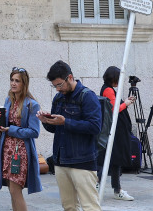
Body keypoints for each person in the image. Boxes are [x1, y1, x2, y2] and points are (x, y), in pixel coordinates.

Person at [39, 60, 102, 211]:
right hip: (61, 160)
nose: (57, 89)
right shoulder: (58, 98)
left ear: (70, 77)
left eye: (60, 84)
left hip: (83, 160)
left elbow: (95, 126)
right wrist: (46, 121)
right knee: (69, 206)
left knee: (90, 206)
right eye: (54, 86)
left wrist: (66, 122)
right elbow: (55, 128)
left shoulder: (87, 96)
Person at [0, 67, 42, 211]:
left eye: (17, 81)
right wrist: (0, 123)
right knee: (11, 190)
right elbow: (6, 123)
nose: (13, 83)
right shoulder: (9, 100)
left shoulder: (32, 104)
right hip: (6, 149)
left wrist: (12, 130)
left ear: (24, 84)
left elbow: (34, 132)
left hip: (19, 152)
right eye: (12, 80)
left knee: (16, 190)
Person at [98, 66, 135, 201]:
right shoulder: (108, 90)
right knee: (112, 159)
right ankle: (104, 187)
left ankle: (116, 188)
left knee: (114, 160)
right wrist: (126, 103)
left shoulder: (108, 89)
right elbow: (115, 109)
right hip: (115, 131)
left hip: (116, 130)